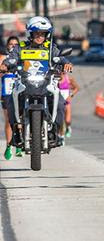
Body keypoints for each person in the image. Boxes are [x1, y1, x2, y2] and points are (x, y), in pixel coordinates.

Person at [1, 17, 73, 148]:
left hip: (46, 82)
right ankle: (16, 132)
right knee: (11, 101)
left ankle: (55, 132)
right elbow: (11, 58)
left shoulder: (51, 48)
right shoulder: (20, 47)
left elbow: (61, 58)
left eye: (43, 33)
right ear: (30, 33)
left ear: (47, 35)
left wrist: (66, 63)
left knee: (61, 103)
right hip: (24, 82)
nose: (40, 36)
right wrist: (5, 65)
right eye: (37, 33)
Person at [1, 36, 19, 159]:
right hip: (6, 91)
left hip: (21, 89)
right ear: (7, 45)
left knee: (21, 118)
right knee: (9, 119)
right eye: (11, 44)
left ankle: (19, 144)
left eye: (15, 44)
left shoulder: (22, 56)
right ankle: (8, 145)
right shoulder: (2, 58)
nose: (13, 46)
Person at [58, 73, 79, 138]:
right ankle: (60, 134)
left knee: (67, 120)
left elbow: (77, 88)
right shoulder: (55, 78)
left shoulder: (69, 78)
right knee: (60, 120)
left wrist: (70, 96)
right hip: (58, 101)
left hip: (66, 102)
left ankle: (68, 127)